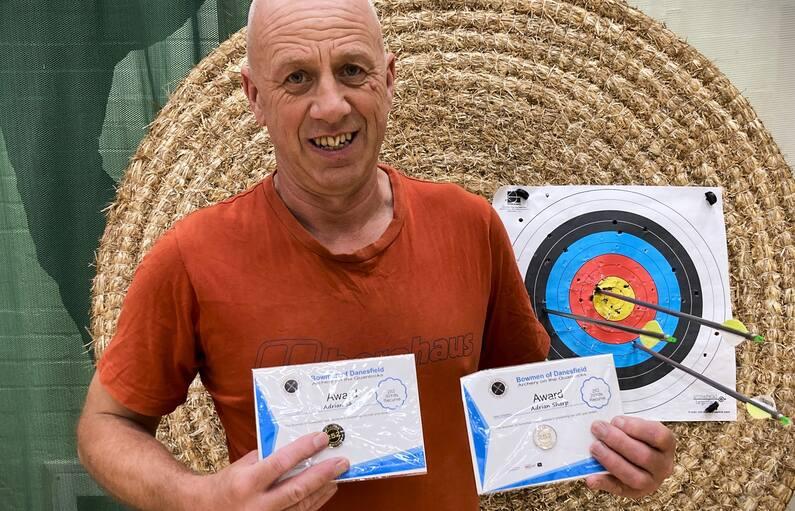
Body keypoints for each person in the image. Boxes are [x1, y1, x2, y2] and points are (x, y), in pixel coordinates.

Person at [77, 0, 676, 509]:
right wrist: (199, 497)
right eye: (297, 79)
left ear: (388, 79)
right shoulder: (192, 255)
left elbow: (522, 407)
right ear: (254, 97)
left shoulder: (471, 226)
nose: (331, 105)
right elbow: (104, 427)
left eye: (352, 69)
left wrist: (608, 451)